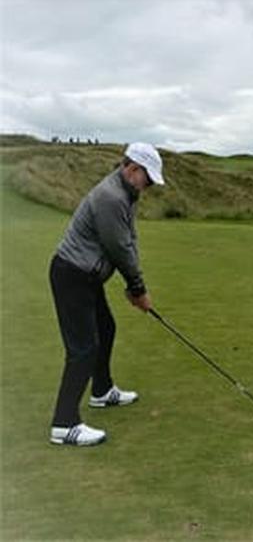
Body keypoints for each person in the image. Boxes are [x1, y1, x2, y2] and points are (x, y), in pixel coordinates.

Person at [48, 142, 165, 446]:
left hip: (86, 277)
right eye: (147, 178)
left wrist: (134, 285)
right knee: (83, 349)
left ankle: (101, 391)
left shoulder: (127, 194)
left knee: (106, 328)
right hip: (72, 275)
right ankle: (64, 424)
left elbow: (129, 240)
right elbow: (118, 248)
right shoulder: (111, 197)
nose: (148, 185)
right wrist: (137, 288)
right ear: (131, 168)